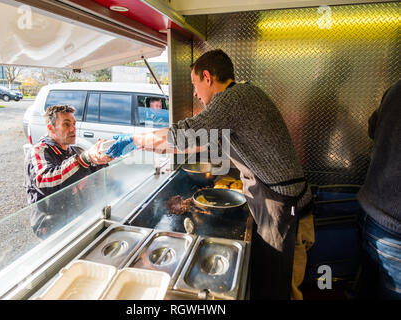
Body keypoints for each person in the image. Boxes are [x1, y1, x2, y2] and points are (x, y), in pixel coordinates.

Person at [106, 49, 315, 300]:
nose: (195, 93)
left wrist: (134, 139)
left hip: (282, 205)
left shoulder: (233, 99)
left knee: (280, 288)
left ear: (207, 77)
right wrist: (152, 145)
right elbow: (200, 142)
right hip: (274, 202)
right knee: (269, 281)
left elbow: (186, 134)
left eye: (195, 85)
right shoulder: (242, 97)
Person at [24, 104, 112, 239]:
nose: (73, 129)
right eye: (66, 124)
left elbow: (97, 175)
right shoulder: (39, 151)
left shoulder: (75, 150)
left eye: (74, 124)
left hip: (78, 218)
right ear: (50, 128)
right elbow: (45, 180)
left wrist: (103, 158)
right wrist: (85, 159)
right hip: (52, 225)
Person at [355, 80, 401, 299]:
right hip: (395, 228)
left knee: (367, 286)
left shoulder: (396, 87)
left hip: (370, 212)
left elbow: (373, 127)